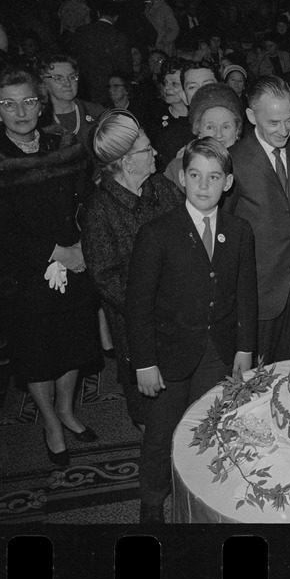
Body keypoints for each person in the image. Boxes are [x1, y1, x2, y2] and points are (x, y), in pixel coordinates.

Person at [126, 138, 258, 523]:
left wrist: (245, 348)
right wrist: (144, 363)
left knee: (211, 424)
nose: (204, 185)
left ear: (228, 182)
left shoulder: (238, 231)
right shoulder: (157, 233)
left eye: (214, 177)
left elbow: (246, 296)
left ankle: (203, 492)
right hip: (168, 355)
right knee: (161, 432)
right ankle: (152, 499)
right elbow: (138, 306)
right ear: (182, 178)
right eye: (196, 175)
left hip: (217, 352)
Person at [0, 67, 100, 467]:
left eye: (28, 101)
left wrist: (83, 244)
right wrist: (57, 253)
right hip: (26, 273)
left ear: (41, 102)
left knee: (72, 345)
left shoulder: (62, 144)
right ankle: (51, 423)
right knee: (37, 353)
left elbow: (87, 199)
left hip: (76, 259)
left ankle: (67, 411)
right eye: (8, 104)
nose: (21, 111)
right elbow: (3, 228)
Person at [81, 111, 183, 430]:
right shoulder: (100, 211)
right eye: (147, 150)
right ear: (127, 162)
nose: (155, 154)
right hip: (137, 326)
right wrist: (155, 300)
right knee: (151, 415)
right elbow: (105, 277)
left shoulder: (164, 190)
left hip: (181, 316)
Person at [229, 76, 290, 363]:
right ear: (251, 116)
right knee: (257, 375)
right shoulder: (233, 159)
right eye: (273, 123)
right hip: (258, 289)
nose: (284, 131)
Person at [163, 82, 244, 200]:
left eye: (226, 127)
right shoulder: (177, 168)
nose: (218, 134)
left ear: (237, 131)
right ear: (198, 131)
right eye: (210, 127)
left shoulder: (251, 166)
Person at [38, 54, 105, 146]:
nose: (68, 83)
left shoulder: (97, 112)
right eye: (59, 78)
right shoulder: (38, 119)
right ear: (43, 82)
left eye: (72, 77)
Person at [151, 58, 193, 171]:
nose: (167, 88)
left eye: (174, 84)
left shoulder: (198, 119)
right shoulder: (154, 117)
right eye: (165, 83)